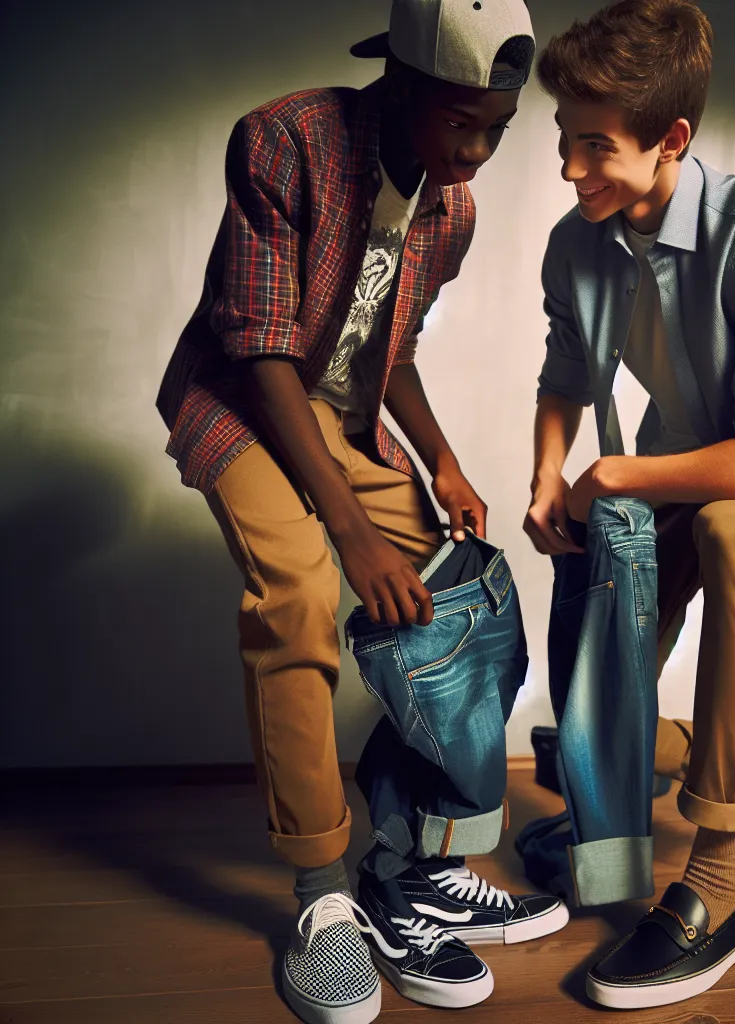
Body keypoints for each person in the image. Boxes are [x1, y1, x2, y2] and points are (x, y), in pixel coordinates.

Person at [156, 2, 566, 1021]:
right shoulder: (284, 141)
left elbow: (394, 354)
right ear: (400, 86)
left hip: (341, 418)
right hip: (247, 405)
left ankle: (408, 863)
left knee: (449, 595)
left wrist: (442, 462)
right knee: (296, 590)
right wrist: (348, 526)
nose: (473, 155)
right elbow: (257, 349)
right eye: (457, 124)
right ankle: (322, 896)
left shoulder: (451, 211)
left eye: (494, 131)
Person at [521, 0, 735, 1009]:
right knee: (603, 636)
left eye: (593, 147)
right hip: (669, 472)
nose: (570, 170)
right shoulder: (575, 243)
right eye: (562, 143)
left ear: (672, 140)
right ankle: (620, 776)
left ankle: (725, 875)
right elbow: (564, 370)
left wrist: (610, 474)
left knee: (728, 527)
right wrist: (549, 475)